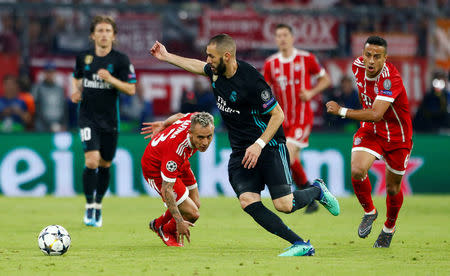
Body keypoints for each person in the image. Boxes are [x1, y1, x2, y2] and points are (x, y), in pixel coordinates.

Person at [150, 34, 339, 256]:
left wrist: (259, 144)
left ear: (227, 56)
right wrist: (167, 56)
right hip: (241, 149)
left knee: (284, 205)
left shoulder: (252, 81)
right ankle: (300, 244)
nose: (208, 60)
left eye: (212, 56)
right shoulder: (216, 72)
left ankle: (317, 190)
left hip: (268, 144)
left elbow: (278, 115)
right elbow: (198, 66)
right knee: (248, 200)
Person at [326, 36, 413, 248]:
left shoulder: (391, 78)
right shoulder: (357, 66)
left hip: (397, 136)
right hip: (372, 131)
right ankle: (369, 211)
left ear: (385, 58)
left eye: (377, 56)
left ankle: (388, 228)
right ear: (362, 55)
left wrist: (342, 111)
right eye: (368, 55)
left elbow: (375, 113)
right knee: (357, 170)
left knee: (392, 189)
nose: (371, 61)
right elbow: (373, 119)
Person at [71, 15, 136, 227]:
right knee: (91, 161)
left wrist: (110, 79)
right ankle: (89, 205)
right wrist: (75, 91)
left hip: (110, 121)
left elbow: (131, 89)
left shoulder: (121, 60)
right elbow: (77, 77)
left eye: (108, 31)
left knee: (105, 163)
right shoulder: (84, 57)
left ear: (114, 35)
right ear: (92, 35)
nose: (104, 34)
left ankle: (98, 204)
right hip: (87, 117)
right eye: (100, 30)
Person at [262, 24, 331, 214]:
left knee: (288, 153)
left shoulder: (306, 58)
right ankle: (312, 196)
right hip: (282, 120)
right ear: (275, 40)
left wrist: (311, 93)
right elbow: (264, 90)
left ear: (292, 38)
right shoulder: (271, 63)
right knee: (293, 160)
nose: (282, 38)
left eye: (285, 35)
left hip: (301, 118)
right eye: (278, 35)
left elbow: (325, 79)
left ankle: (304, 193)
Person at [140, 112, 215, 247]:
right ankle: (166, 230)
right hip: (155, 168)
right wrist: (179, 221)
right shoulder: (176, 150)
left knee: (195, 203)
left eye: (209, 137)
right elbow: (166, 190)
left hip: (180, 160)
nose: (205, 143)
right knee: (193, 213)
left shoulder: (196, 118)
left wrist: (163, 125)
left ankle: (158, 224)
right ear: (190, 133)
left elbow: (179, 115)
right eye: (200, 137)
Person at [31, 61, 68, 132]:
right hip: (42, 126)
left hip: (58, 126)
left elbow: (64, 108)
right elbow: (36, 109)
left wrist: (63, 124)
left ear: (55, 73)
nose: (49, 75)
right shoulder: (37, 88)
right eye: (47, 72)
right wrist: (50, 126)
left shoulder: (60, 89)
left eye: (51, 72)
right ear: (44, 73)